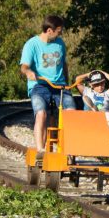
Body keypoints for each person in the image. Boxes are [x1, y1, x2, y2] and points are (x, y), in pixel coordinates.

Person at [19, 15, 75, 154]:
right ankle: (40, 149)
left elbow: (64, 65)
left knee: (71, 112)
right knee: (41, 113)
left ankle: (68, 149)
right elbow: (24, 66)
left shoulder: (60, 43)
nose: (60, 34)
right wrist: (28, 72)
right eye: (58, 31)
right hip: (40, 85)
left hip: (60, 86)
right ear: (49, 30)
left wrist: (67, 83)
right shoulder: (32, 44)